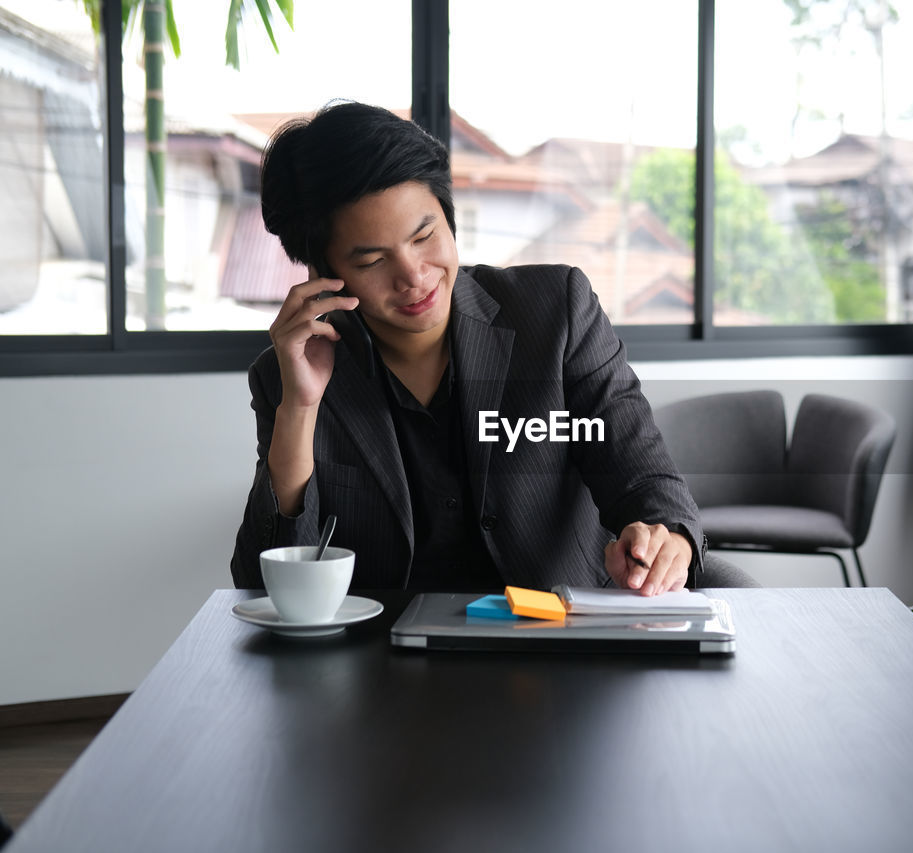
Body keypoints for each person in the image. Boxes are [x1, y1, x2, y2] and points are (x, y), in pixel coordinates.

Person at [230, 101, 705, 595]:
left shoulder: (555, 314)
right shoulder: (290, 375)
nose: (414, 276)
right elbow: (259, 584)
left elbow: (643, 477)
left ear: (449, 218)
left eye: (425, 236)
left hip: (556, 645)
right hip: (382, 658)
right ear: (322, 273)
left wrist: (662, 537)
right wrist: (299, 411)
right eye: (372, 260)